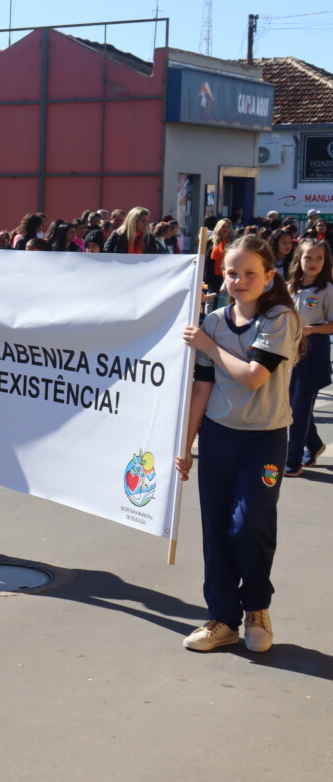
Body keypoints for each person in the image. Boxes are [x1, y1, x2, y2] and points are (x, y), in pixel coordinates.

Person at [175, 235, 303, 653]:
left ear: (269, 276)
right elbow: (202, 389)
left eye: (250, 273)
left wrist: (208, 346)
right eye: (232, 273)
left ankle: (257, 609)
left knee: (249, 526)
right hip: (218, 438)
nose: (240, 280)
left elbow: (252, 377)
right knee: (216, 530)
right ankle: (223, 619)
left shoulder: (279, 318)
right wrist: (185, 446)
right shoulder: (213, 321)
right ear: (222, 275)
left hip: (264, 441)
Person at [283, 239, 333, 477]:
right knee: (295, 405)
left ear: (325, 261)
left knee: (299, 408)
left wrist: (311, 330)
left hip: (314, 352)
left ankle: (293, 460)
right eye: (308, 257)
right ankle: (313, 444)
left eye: (319, 258)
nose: (313, 262)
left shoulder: (327, 289)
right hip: (290, 351)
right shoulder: (290, 287)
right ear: (298, 259)